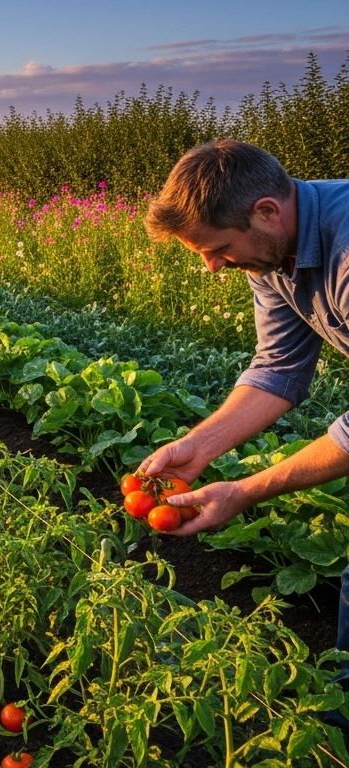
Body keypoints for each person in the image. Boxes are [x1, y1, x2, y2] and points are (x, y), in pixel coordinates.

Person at [139, 138, 349, 691]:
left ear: (267, 211)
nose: (211, 267)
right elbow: (279, 366)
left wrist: (247, 490)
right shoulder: (270, 252)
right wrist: (199, 446)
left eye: (217, 249)